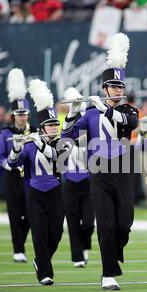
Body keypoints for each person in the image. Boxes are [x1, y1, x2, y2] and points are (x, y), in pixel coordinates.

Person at [62, 33, 139, 290]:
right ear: (104, 89)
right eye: (113, 87)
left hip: (124, 169)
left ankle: (116, 251)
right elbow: (67, 137)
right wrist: (73, 114)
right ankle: (108, 274)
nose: (118, 91)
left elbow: (129, 124)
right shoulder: (91, 114)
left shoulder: (128, 110)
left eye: (120, 87)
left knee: (124, 224)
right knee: (105, 223)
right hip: (98, 171)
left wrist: (105, 109)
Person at [8, 79, 65, 286]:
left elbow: (57, 158)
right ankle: (45, 272)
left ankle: (40, 261)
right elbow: (12, 163)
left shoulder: (63, 143)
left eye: (55, 124)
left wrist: (39, 142)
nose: (54, 128)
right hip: (35, 193)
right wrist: (16, 148)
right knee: (39, 232)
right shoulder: (30, 145)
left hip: (56, 192)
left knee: (56, 233)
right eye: (50, 125)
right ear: (42, 128)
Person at [0, 68, 36, 263]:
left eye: (25, 114)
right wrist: (10, 166)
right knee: (14, 213)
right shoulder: (5, 133)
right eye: (19, 114)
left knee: (30, 213)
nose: (22, 117)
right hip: (12, 177)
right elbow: (0, 157)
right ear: (13, 115)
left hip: (29, 177)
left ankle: (21, 243)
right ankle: (18, 249)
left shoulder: (34, 131)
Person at [62, 87, 95, 268]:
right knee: (73, 222)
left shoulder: (89, 126)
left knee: (89, 224)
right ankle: (77, 256)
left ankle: (85, 246)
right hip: (70, 182)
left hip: (88, 181)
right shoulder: (66, 128)